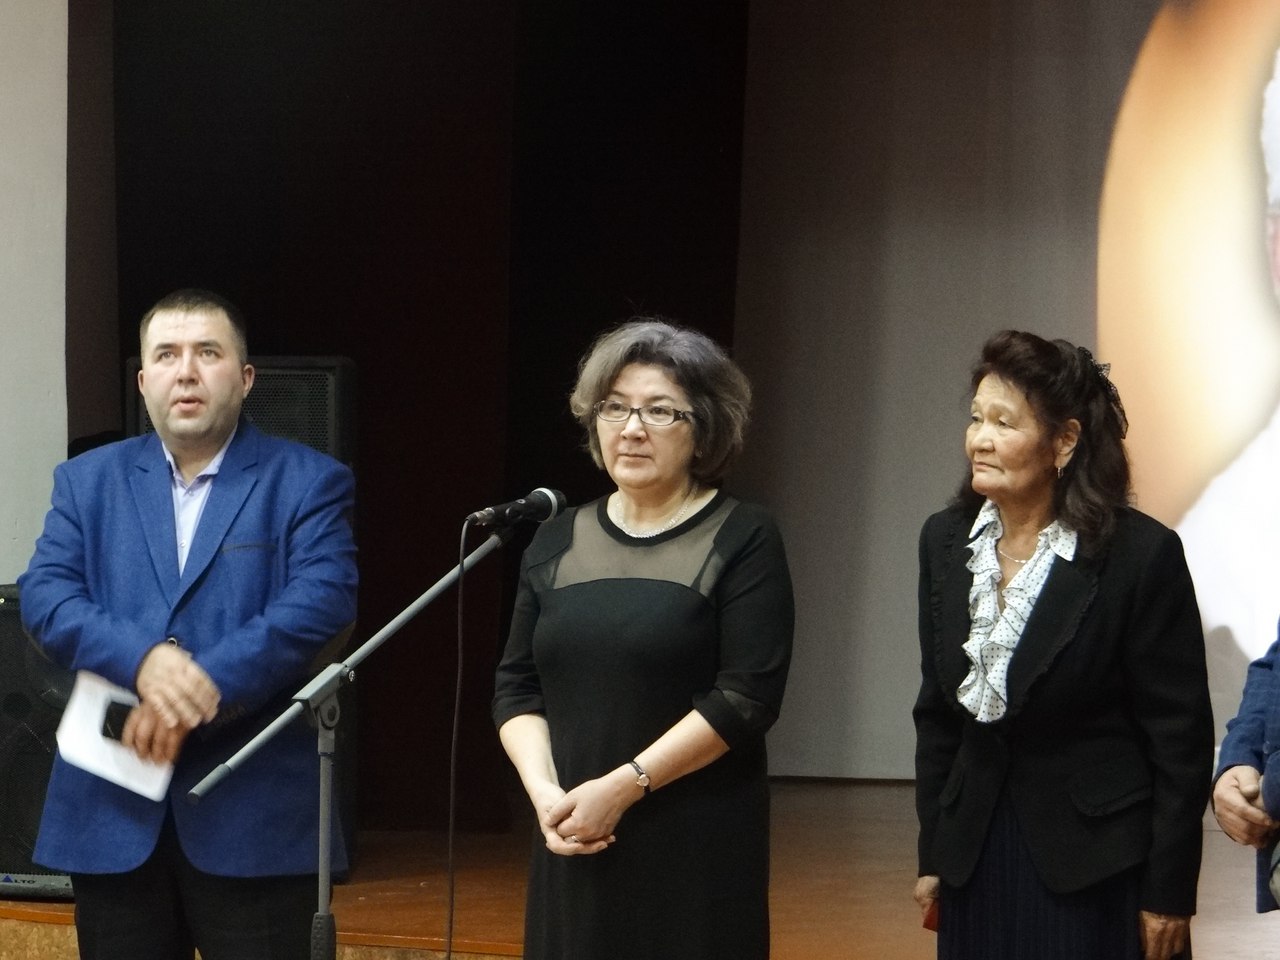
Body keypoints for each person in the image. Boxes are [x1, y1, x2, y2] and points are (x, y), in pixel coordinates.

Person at [19, 288, 358, 960]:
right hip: (111, 808)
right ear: (144, 381)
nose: (187, 372)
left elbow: (322, 601)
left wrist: (198, 688)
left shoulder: (308, 480)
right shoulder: (86, 482)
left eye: (208, 353)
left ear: (246, 376)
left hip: (253, 813)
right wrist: (143, 661)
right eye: (167, 355)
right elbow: (46, 596)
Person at [492, 318, 793, 960]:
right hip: (574, 831)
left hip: (692, 842)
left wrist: (623, 788)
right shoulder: (554, 539)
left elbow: (746, 698)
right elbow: (517, 687)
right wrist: (547, 796)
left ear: (703, 429)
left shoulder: (743, 535)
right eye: (615, 407)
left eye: (659, 411)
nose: (631, 428)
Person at [912, 330, 1213, 960]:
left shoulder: (1140, 556)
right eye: (975, 419)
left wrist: (1169, 892)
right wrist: (935, 851)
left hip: (1094, 866)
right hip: (975, 859)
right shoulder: (945, 540)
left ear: (1065, 442)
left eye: (1003, 422)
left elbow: (1179, 744)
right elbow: (938, 714)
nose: (979, 439)